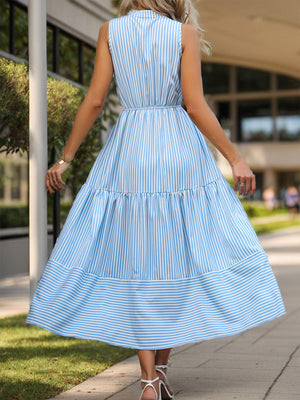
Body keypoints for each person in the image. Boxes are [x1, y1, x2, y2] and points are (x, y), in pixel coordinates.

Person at [26, 1, 286, 399]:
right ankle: (161, 372)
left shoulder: (110, 31)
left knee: (138, 258)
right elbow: (194, 104)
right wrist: (234, 158)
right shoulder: (183, 34)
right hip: (176, 150)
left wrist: (65, 157)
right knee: (172, 256)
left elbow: (94, 101)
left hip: (129, 150)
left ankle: (148, 380)